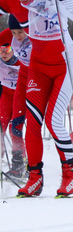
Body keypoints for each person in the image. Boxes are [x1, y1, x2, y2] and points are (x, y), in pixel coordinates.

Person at [0, 0, 73, 197]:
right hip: (38, 67)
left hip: (64, 65)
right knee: (32, 122)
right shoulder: (12, 0)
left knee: (54, 122)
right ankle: (34, 178)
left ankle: (70, 173)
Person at [7, 15, 31, 179]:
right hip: (22, 80)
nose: (18, 36)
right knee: (16, 124)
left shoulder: (36, 38)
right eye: (14, 32)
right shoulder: (11, 40)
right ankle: (18, 164)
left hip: (38, 81)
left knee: (34, 127)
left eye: (20, 32)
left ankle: (33, 165)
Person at [0, 29, 21, 177]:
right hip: (6, 95)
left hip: (21, 96)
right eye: (0, 49)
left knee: (16, 130)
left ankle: (19, 165)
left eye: (7, 49)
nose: (3, 53)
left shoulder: (22, 58)